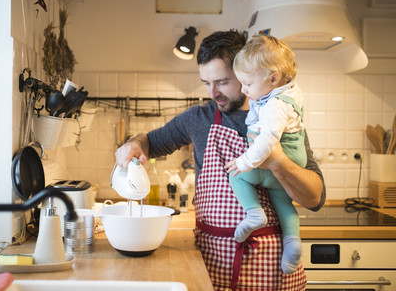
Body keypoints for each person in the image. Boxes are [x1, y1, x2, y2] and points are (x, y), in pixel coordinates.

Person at [115, 29, 325, 290]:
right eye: (206, 82)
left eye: (222, 82)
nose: (212, 93)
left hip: (272, 270)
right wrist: (134, 143)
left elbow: (315, 198)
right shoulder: (198, 119)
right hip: (213, 265)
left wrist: (278, 162)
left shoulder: (284, 119)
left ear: (244, 71)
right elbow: (149, 142)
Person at [224, 35, 305, 275]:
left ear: (272, 77)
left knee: (236, 175)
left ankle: (254, 213)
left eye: (247, 83)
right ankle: (292, 243)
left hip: (274, 162)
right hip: (292, 162)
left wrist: (244, 162)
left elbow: (269, 140)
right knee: (283, 202)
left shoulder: (275, 106)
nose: (243, 89)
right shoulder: (287, 94)